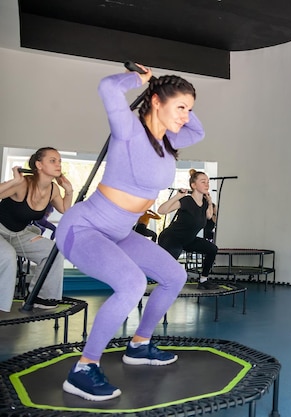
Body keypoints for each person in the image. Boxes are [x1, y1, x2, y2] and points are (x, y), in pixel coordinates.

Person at [55, 64, 205, 401]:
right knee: (133, 283)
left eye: (189, 109)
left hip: (120, 232)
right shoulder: (129, 130)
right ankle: (83, 369)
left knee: (173, 275)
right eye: (180, 107)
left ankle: (139, 345)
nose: (186, 116)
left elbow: (199, 132)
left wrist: (177, 102)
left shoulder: (169, 140)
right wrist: (141, 80)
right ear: (155, 102)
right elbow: (108, 88)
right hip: (85, 228)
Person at [0, 148, 74, 312]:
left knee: (53, 252)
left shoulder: (53, 189)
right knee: (7, 255)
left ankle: (40, 297)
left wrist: (68, 191)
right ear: (39, 165)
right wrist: (14, 181)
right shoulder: (23, 184)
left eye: (59, 161)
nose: (58, 164)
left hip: (19, 234)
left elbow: (64, 210)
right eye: (53, 160)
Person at [157, 169, 218, 290]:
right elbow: (161, 210)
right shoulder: (187, 201)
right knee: (173, 258)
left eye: (208, 182)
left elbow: (209, 216)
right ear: (193, 185)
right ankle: (163, 285)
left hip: (188, 240)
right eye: (203, 182)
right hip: (171, 238)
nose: (207, 184)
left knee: (212, 249)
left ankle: (203, 280)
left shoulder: (205, 203)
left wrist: (210, 202)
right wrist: (178, 196)